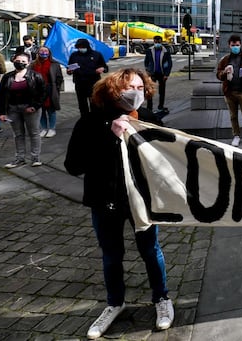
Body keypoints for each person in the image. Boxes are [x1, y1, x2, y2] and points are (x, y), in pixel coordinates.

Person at [64, 68, 174, 338]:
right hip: (104, 201)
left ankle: (162, 298)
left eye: (140, 88)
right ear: (112, 90)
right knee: (112, 255)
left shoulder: (148, 119)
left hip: (141, 201)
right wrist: (108, 137)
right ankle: (115, 303)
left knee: (151, 250)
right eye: (128, 88)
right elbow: (73, 165)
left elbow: (171, 157)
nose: (135, 93)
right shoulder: (90, 122)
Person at [0, 52, 45, 168]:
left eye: (24, 62)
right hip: (13, 109)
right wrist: (2, 112)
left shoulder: (36, 76)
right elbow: (2, 95)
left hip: (30, 109)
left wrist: (34, 106)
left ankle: (35, 158)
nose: (20, 63)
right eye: (18, 61)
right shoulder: (7, 77)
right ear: (14, 61)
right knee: (18, 134)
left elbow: (42, 94)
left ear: (28, 63)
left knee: (34, 133)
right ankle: (20, 158)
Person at [216, 35, 242, 147]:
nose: (235, 47)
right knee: (233, 116)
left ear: (241, 45)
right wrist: (224, 73)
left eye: (237, 45)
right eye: (233, 45)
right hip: (229, 92)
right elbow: (218, 74)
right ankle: (236, 136)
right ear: (229, 46)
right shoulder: (225, 59)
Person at [67, 38, 108, 117]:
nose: (80, 49)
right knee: (82, 105)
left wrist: (102, 69)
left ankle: (95, 120)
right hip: (79, 83)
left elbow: (105, 67)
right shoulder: (74, 55)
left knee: (95, 104)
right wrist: (69, 71)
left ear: (87, 46)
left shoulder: (96, 54)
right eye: (79, 47)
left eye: (82, 47)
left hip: (94, 83)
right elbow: (69, 69)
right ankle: (84, 121)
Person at [31, 46, 64, 138]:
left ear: (49, 53)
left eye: (45, 50)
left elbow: (59, 78)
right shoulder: (33, 64)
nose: (43, 52)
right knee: (40, 110)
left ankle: (52, 128)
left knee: (51, 110)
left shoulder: (54, 64)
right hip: (37, 90)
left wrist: (56, 88)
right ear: (38, 52)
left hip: (50, 89)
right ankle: (44, 128)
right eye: (41, 50)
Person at [144, 36, 173, 113]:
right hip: (152, 74)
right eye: (156, 42)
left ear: (161, 42)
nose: (157, 43)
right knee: (150, 91)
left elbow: (169, 63)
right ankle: (149, 107)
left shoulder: (165, 51)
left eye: (159, 42)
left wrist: (166, 74)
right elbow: (146, 61)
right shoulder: (150, 50)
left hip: (162, 74)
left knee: (162, 91)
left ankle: (161, 106)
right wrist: (147, 70)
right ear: (154, 41)